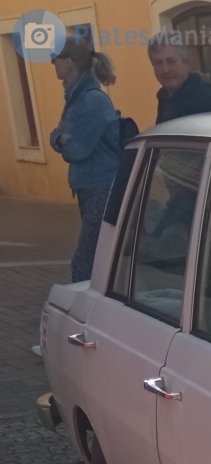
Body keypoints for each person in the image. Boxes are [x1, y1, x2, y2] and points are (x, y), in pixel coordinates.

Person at [49, 39, 120, 283]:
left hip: (101, 185)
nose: (52, 64)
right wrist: (60, 138)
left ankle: (83, 310)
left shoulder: (92, 100)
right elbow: (62, 136)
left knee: (85, 260)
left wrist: (59, 140)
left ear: (68, 62)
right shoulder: (75, 99)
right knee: (96, 256)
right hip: (86, 185)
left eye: (54, 59)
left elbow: (76, 149)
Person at [149, 32, 211, 124]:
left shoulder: (207, 98)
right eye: (158, 63)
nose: (165, 69)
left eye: (171, 62)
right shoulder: (165, 98)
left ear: (186, 63)